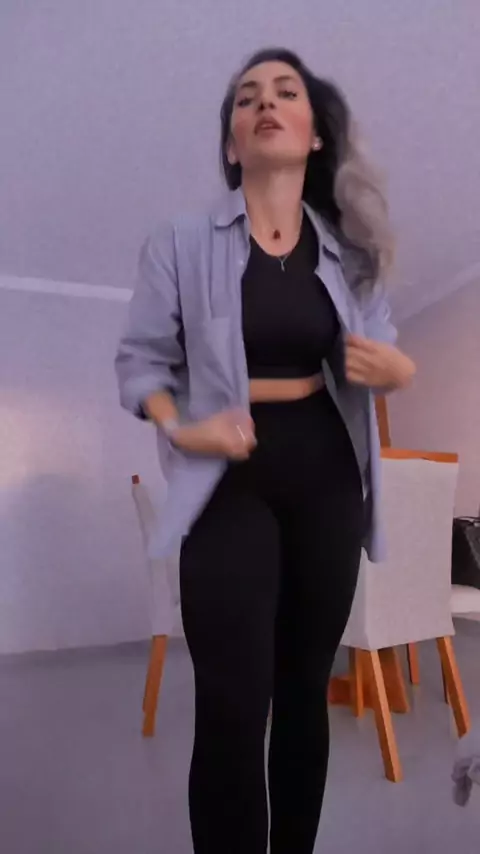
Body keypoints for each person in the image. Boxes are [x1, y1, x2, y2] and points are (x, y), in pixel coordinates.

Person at [116, 47, 416, 854]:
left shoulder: (348, 252)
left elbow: (383, 342)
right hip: (227, 481)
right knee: (232, 703)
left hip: (326, 477)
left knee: (303, 689)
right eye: (246, 99)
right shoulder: (179, 242)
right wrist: (183, 426)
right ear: (232, 142)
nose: (265, 104)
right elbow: (141, 363)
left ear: (314, 133)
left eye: (285, 92)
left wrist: (397, 368)